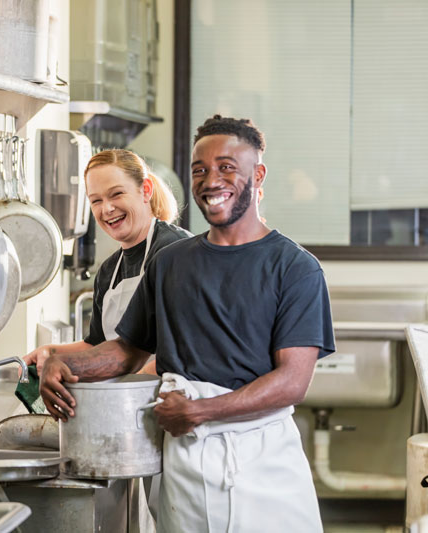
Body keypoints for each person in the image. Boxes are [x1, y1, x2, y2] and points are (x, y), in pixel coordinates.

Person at [39, 115, 335, 532]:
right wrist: (64, 365)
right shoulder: (171, 263)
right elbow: (127, 351)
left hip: (262, 459)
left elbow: (293, 381)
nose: (211, 180)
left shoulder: (295, 268)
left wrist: (200, 411)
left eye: (227, 167)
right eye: (200, 170)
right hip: (186, 462)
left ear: (258, 173)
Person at [23, 149, 190, 373]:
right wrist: (51, 352)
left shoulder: (175, 250)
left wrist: (131, 389)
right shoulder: (109, 270)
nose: (107, 209)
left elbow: (189, 347)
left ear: (146, 190)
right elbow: (98, 345)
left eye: (117, 194)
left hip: (170, 396)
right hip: (122, 396)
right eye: (96, 201)